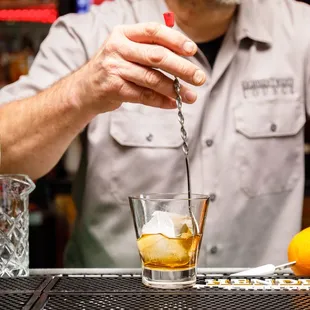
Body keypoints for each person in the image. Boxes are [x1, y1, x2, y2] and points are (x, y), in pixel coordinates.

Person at [0, 0, 309, 268]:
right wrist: (81, 92)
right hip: (116, 301)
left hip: (262, 297)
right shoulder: (88, 32)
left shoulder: (299, 28)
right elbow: (6, 157)